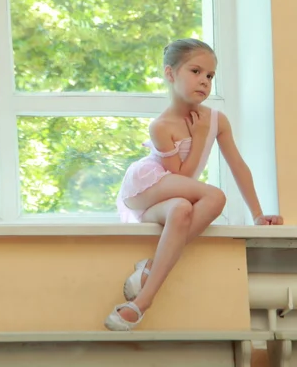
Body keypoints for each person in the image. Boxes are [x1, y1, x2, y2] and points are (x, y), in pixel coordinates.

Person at [104, 38, 283, 331]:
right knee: (214, 197)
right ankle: (146, 294)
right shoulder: (161, 126)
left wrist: (257, 214)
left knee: (182, 210)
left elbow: (238, 166)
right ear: (170, 73)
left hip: (168, 202)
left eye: (210, 76)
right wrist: (199, 137)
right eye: (196, 71)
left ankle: (141, 296)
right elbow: (181, 178)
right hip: (145, 189)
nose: (204, 81)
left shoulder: (216, 120)